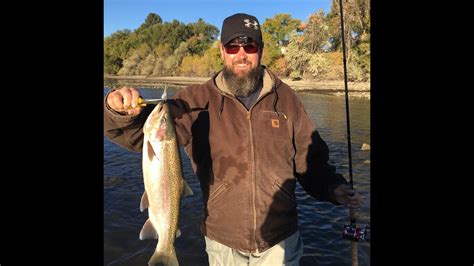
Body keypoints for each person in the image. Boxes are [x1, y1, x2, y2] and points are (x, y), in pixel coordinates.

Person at [104, 13, 362, 266]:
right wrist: (117, 111)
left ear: (260, 50)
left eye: (249, 45)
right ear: (221, 51)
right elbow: (137, 136)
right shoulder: (194, 99)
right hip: (223, 241)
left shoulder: (286, 99)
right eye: (232, 46)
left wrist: (332, 188)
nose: (241, 54)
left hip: (280, 239)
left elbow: (310, 159)